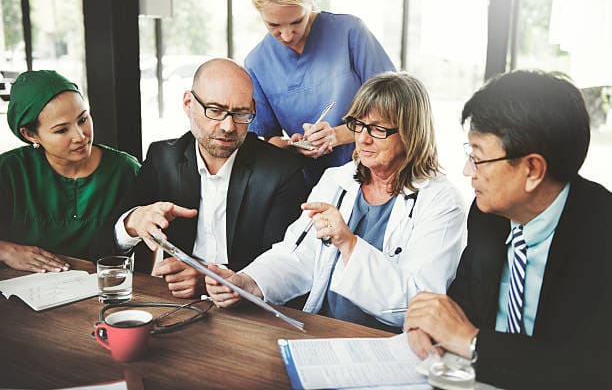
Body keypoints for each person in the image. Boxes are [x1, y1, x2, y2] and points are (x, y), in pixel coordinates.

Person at [205, 71, 466, 332]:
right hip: (325, 329)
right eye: (358, 125)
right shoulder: (336, 181)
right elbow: (296, 256)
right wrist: (247, 283)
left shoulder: (441, 200)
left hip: (389, 341)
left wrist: (349, 244)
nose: (363, 138)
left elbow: (418, 304)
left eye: (377, 128)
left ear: (411, 133)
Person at [404, 70, 612, 389]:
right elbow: (467, 299)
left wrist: (471, 341)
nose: (466, 171)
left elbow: (588, 368)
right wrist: (433, 323)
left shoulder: (601, 234)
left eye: (478, 158)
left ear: (532, 169)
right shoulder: (488, 214)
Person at [92, 58, 308, 299]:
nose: (228, 126)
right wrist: (132, 223)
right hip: (176, 302)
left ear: (253, 110)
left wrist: (209, 279)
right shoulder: (163, 158)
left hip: (249, 310)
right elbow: (102, 248)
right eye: (215, 110)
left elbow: (283, 265)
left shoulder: (282, 171)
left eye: (240, 113)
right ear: (188, 103)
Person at [246, 0, 396, 187]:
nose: (288, 35)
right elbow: (270, 139)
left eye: (297, 21)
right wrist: (293, 145)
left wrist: (336, 135)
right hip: (313, 183)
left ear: (310, 2)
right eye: (274, 26)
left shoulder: (350, 32)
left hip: (374, 172)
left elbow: (395, 106)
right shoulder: (257, 62)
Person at [0, 70, 140, 272]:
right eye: (62, 130)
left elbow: (149, 240)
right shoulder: (9, 171)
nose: (80, 136)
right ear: (30, 134)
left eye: (83, 119)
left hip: (104, 294)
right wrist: (6, 251)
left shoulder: (126, 170)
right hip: (20, 295)